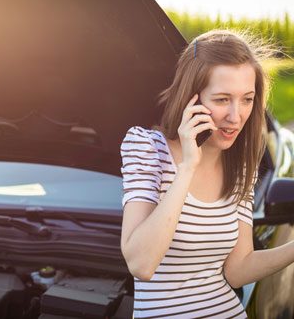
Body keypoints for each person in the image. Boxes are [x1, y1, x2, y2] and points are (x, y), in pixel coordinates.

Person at [119, 29, 294, 318]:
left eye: (247, 99)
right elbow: (141, 264)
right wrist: (187, 166)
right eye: (222, 99)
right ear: (191, 98)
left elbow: (238, 271)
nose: (236, 116)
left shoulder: (239, 166)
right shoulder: (147, 148)